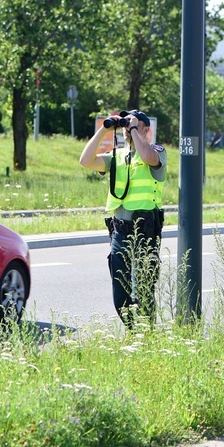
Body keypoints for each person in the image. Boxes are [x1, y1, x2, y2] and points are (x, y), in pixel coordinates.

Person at [79, 110, 166, 326]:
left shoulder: (157, 151)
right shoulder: (117, 156)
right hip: (120, 232)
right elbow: (86, 160)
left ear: (146, 129)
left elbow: (148, 157)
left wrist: (135, 128)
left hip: (146, 230)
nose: (128, 130)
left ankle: (148, 333)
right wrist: (104, 130)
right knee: (120, 290)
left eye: (134, 125)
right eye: (127, 126)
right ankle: (132, 331)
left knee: (145, 289)